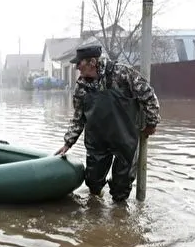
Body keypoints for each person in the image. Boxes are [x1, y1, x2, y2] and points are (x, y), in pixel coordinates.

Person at [55, 45, 160, 203]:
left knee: (121, 187)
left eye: (79, 63)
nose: (76, 67)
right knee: (93, 182)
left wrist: (152, 122)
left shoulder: (122, 73)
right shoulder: (81, 87)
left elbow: (148, 95)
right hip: (97, 140)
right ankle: (96, 209)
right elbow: (78, 117)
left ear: (92, 62)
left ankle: (119, 218)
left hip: (124, 139)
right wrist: (68, 142)